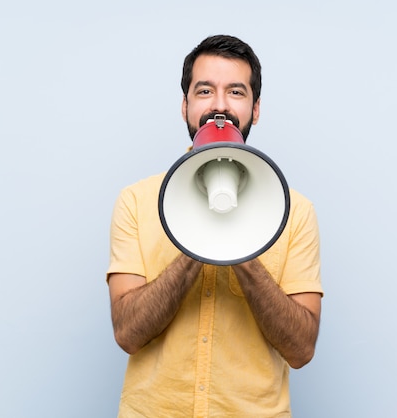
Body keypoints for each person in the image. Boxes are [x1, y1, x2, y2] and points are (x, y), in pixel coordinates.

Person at [107, 34, 323, 417]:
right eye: (204, 91)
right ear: (185, 105)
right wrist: (198, 239)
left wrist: (239, 241)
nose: (219, 106)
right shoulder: (136, 202)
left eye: (236, 92)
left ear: (255, 109)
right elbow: (127, 333)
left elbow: (302, 349)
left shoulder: (296, 212)